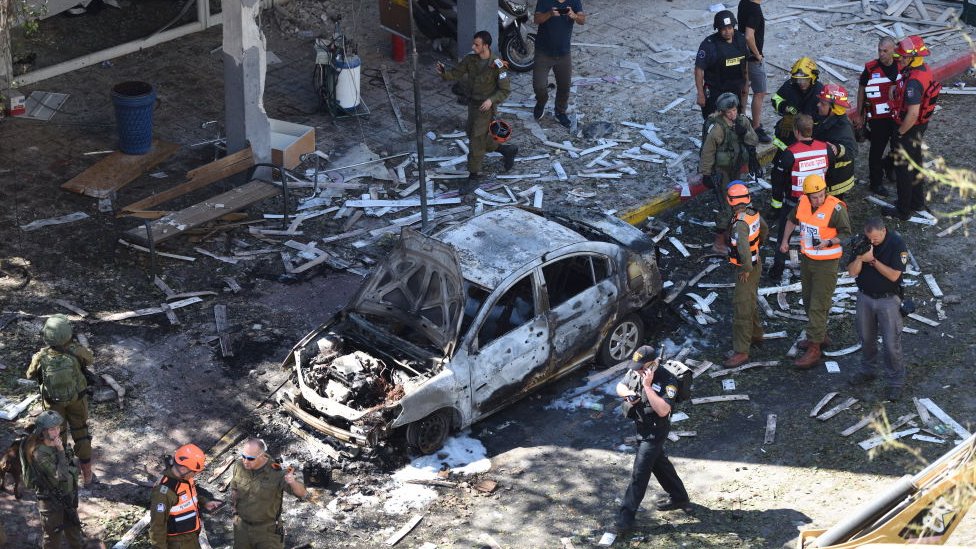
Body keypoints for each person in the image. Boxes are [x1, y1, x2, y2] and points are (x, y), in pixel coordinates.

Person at [778, 174, 851, 369]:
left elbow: (846, 234)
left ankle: (815, 349)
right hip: (808, 259)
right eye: (815, 197)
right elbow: (791, 220)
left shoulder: (836, 208)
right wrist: (785, 240)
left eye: (821, 195)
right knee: (809, 299)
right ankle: (820, 335)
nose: (818, 199)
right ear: (807, 195)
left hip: (827, 263)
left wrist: (829, 242)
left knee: (819, 303)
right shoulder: (802, 202)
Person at [614, 345, 690, 533]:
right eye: (637, 368)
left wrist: (647, 387)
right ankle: (679, 496)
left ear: (654, 364)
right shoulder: (637, 371)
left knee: (640, 472)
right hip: (641, 427)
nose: (638, 371)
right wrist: (629, 394)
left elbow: (663, 410)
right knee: (659, 463)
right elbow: (620, 386)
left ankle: (626, 517)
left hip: (656, 431)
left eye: (642, 368)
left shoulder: (667, 380)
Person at [436, 31, 518, 194]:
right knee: (472, 133)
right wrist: (444, 73)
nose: (473, 47)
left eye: (477, 45)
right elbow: (456, 73)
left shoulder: (498, 65)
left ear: (486, 46)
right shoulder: (470, 60)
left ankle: (474, 176)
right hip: (473, 105)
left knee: (476, 139)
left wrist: (491, 100)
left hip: (486, 108)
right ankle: (506, 150)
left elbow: (505, 90)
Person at [25, 314, 97, 486]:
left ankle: (65, 475)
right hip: (77, 400)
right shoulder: (77, 350)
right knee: (81, 433)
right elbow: (90, 359)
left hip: (53, 403)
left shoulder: (41, 356)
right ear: (67, 333)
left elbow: (29, 374)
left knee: (57, 436)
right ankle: (87, 476)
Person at [846, 218, 909, 402]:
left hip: (888, 300)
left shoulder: (897, 244)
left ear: (884, 231)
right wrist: (859, 257)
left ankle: (895, 382)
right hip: (865, 297)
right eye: (869, 239)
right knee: (866, 337)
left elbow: (894, 275)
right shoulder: (862, 242)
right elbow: (852, 272)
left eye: (875, 239)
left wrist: (872, 260)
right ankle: (868, 370)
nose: (871, 242)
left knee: (891, 343)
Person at [767, 114, 833, 280]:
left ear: (796, 132)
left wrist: (778, 197)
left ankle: (778, 269)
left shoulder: (790, 153)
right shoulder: (825, 148)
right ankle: (815, 266)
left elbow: (778, 179)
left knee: (784, 235)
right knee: (815, 234)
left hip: (794, 201)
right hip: (817, 200)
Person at [882, 35, 938, 221]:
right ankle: (917, 202)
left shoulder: (914, 82)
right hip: (920, 127)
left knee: (903, 169)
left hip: (909, 128)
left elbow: (912, 114)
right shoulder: (923, 69)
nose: (900, 59)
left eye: (903, 57)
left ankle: (902, 210)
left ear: (913, 57)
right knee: (916, 164)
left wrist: (899, 134)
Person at [700, 92, 759, 254]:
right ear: (722, 112)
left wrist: (744, 132)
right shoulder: (717, 129)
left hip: (735, 168)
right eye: (729, 112)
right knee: (727, 206)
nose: (733, 114)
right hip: (721, 171)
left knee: (735, 203)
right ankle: (718, 243)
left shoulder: (742, 122)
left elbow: (754, 140)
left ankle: (727, 234)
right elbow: (707, 152)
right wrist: (706, 174)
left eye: (735, 110)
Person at [20, 410, 84, 548]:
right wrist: (60, 450)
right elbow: (61, 476)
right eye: (52, 429)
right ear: (43, 431)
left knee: (74, 529)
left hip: (67, 495)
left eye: (57, 427)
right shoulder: (39, 453)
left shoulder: (57, 442)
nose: (56, 432)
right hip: (51, 501)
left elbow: (70, 465)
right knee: (52, 538)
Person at [230, 437, 308, 549]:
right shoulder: (239, 465)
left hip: (267, 531)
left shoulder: (277, 473)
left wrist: (292, 482)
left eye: (251, 458)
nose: (246, 461)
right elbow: (235, 489)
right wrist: (234, 513)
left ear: (262, 455)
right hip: (242, 528)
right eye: (243, 456)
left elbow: (302, 494)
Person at [723, 182, 768, 367]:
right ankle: (756, 334)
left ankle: (741, 351)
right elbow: (764, 230)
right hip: (756, 263)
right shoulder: (752, 214)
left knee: (742, 306)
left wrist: (745, 269)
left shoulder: (740, 223)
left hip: (748, 268)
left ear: (730, 201)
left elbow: (742, 248)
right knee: (749, 300)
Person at [149, 443, 222, 548]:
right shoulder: (164, 492)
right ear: (184, 469)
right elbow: (157, 526)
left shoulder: (186, 478)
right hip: (178, 544)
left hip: (191, 537)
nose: (195, 474)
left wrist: (205, 502)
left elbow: (190, 495)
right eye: (195, 472)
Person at [854, 37, 900, 197]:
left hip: (897, 116)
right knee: (876, 150)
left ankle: (889, 165)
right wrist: (859, 115)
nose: (881, 54)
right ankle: (876, 182)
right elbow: (861, 90)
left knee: (899, 146)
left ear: (893, 50)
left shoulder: (902, 66)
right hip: (878, 117)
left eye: (885, 51)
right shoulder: (870, 68)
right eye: (879, 50)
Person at [532, 0, 585, 127]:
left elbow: (582, 20)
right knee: (539, 85)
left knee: (564, 86)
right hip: (543, 52)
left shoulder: (574, 1)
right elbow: (536, 19)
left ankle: (560, 111)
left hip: (563, 53)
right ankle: (541, 101)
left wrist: (575, 16)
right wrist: (549, 14)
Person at [694, 10, 749, 126]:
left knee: (734, 122)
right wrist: (700, 94)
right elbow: (699, 69)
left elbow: (745, 64)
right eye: (723, 29)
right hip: (715, 90)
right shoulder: (709, 44)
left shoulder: (740, 39)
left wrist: (745, 84)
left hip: (735, 89)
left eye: (729, 28)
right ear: (718, 29)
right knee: (713, 123)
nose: (727, 32)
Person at [813, 83, 858, 198]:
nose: (818, 105)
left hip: (836, 181)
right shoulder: (825, 117)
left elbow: (852, 150)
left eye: (822, 103)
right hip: (828, 175)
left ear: (834, 108)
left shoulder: (842, 127)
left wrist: (837, 149)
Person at [770, 57, 824, 152]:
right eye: (798, 80)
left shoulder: (820, 90)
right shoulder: (790, 85)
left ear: (812, 78)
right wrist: (784, 107)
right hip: (790, 128)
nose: (801, 83)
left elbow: (825, 113)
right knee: (784, 146)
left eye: (805, 80)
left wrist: (809, 121)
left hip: (811, 132)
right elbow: (775, 99)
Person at [737, 0, 772, 143]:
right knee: (760, 92)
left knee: (744, 89)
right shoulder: (755, 10)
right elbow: (749, 35)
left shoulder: (743, 3)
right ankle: (756, 127)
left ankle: (741, 122)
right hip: (752, 58)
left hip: (741, 54)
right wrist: (757, 54)